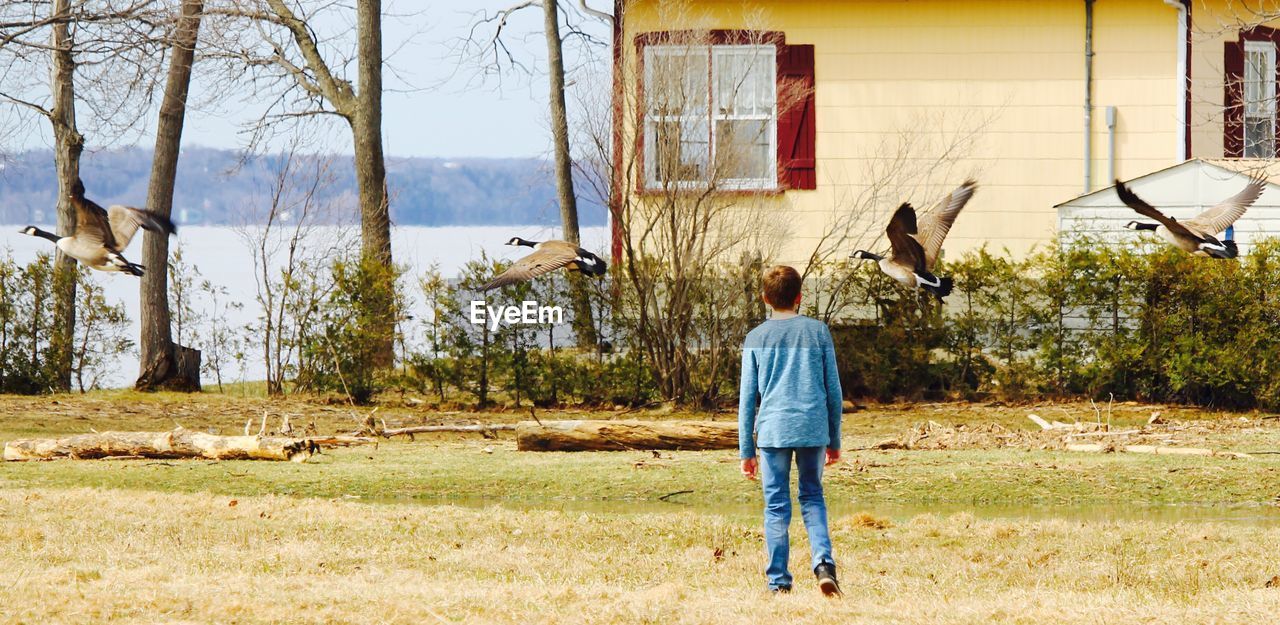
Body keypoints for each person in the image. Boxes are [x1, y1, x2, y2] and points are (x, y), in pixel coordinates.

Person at [738, 265, 843, 596]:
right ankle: (824, 565)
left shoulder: (756, 338)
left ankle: (779, 581)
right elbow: (834, 391)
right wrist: (834, 440)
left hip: (773, 431)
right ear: (799, 297)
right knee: (812, 496)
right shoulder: (818, 332)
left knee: (776, 505)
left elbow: (746, 400)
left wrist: (746, 450)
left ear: (765, 299)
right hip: (813, 427)